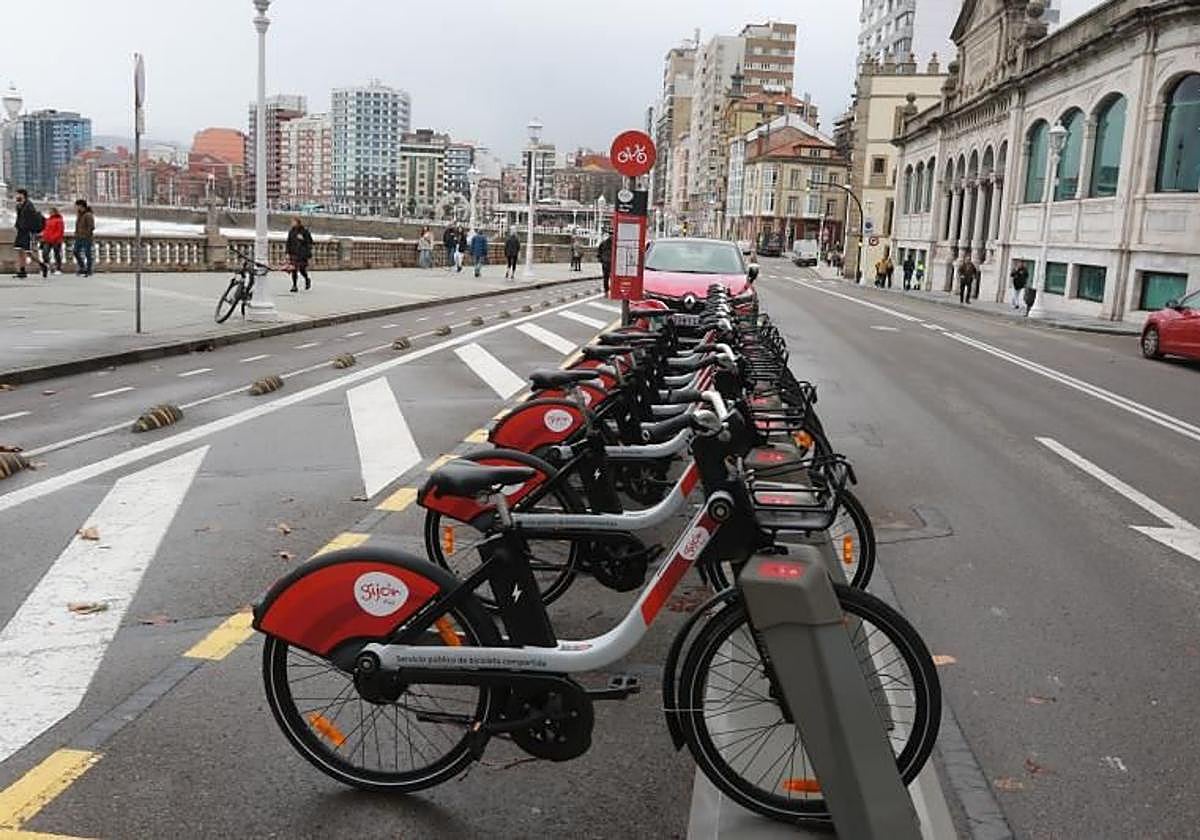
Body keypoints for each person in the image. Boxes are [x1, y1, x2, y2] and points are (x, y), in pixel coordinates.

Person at [13, 189, 47, 279]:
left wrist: (30, 229)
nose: (16, 197)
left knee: (28, 252)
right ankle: (22, 270)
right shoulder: (19, 206)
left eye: (18, 195)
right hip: (21, 231)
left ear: (23, 195)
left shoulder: (29, 205)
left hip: (27, 232)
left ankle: (42, 265)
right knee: (20, 251)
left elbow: (31, 219)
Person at [285, 216, 314, 292]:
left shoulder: (304, 231)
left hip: (302, 254)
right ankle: (294, 286)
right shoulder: (291, 231)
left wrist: (303, 239)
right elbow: (288, 242)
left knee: (302, 269)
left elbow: (310, 242)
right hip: (293, 253)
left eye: (293, 222)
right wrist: (287, 252)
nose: (292, 223)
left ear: (297, 222)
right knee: (294, 270)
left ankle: (307, 279)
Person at [40, 207, 65, 275]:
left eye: (51, 211)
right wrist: (44, 237)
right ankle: (48, 266)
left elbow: (60, 231)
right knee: (45, 253)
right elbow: (46, 230)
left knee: (57, 254)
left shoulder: (59, 220)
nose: (50, 213)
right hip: (47, 240)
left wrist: (53, 238)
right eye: (49, 211)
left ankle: (58, 268)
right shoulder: (48, 220)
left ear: (55, 212)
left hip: (56, 240)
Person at [73, 198, 94, 277]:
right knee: (75, 251)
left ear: (81, 206)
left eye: (77, 206)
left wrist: (87, 235)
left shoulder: (88, 215)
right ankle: (82, 267)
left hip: (86, 237)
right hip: (79, 237)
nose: (76, 207)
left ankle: (88, 270)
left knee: (88, 254)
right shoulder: (79, 214)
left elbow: (91, 226)